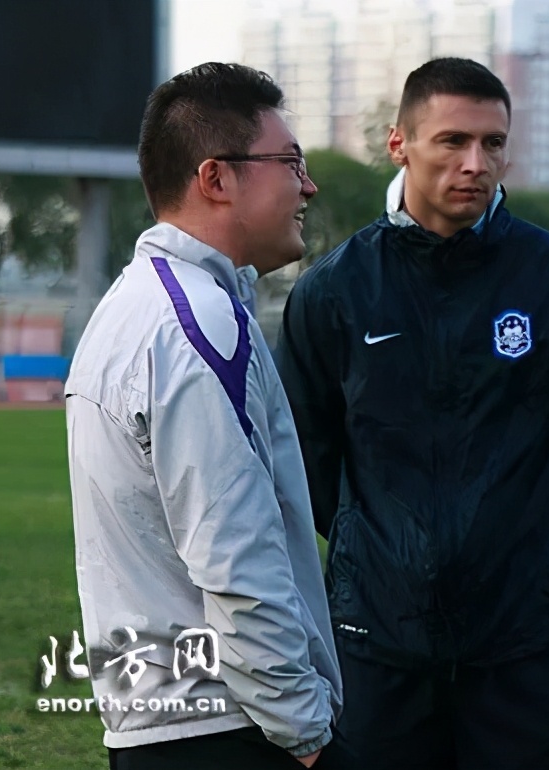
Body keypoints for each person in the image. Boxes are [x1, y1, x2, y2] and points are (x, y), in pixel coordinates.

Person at [275, 57, 549, 769]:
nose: (476, 163)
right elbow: (307, 460)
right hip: (379, 644)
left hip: (528, 641)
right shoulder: (331, 293)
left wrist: (512, 536)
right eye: (453, 142)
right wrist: (383, 552)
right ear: (399, 144)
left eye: (493, 144)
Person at [65, 62, 341, 769]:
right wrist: (306, 732)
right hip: (226, 729)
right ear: (216, 178)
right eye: (290, 163)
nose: (307, 185)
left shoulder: (133, 304)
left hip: (160, 721)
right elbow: (235, 557)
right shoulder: (197, 323)